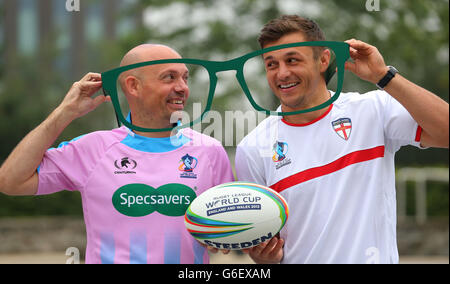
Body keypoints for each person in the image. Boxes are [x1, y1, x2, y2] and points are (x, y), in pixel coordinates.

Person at [235, 15, 449, 264]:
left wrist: (383, 75)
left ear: (323, 59)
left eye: (292, 60)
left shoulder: (374, 109)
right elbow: (266, 246)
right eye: (271, 64)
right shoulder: (252, 148)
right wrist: (264, 258)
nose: (282, 73)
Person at [0, 44, 234, 264]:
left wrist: (225, 236)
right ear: (133, 86)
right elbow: (11, 181)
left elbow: (227, 228)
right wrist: (65, 112)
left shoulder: (210, 150)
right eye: (169, 77)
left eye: (185, 77)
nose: (182, 87)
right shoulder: (93, 149)